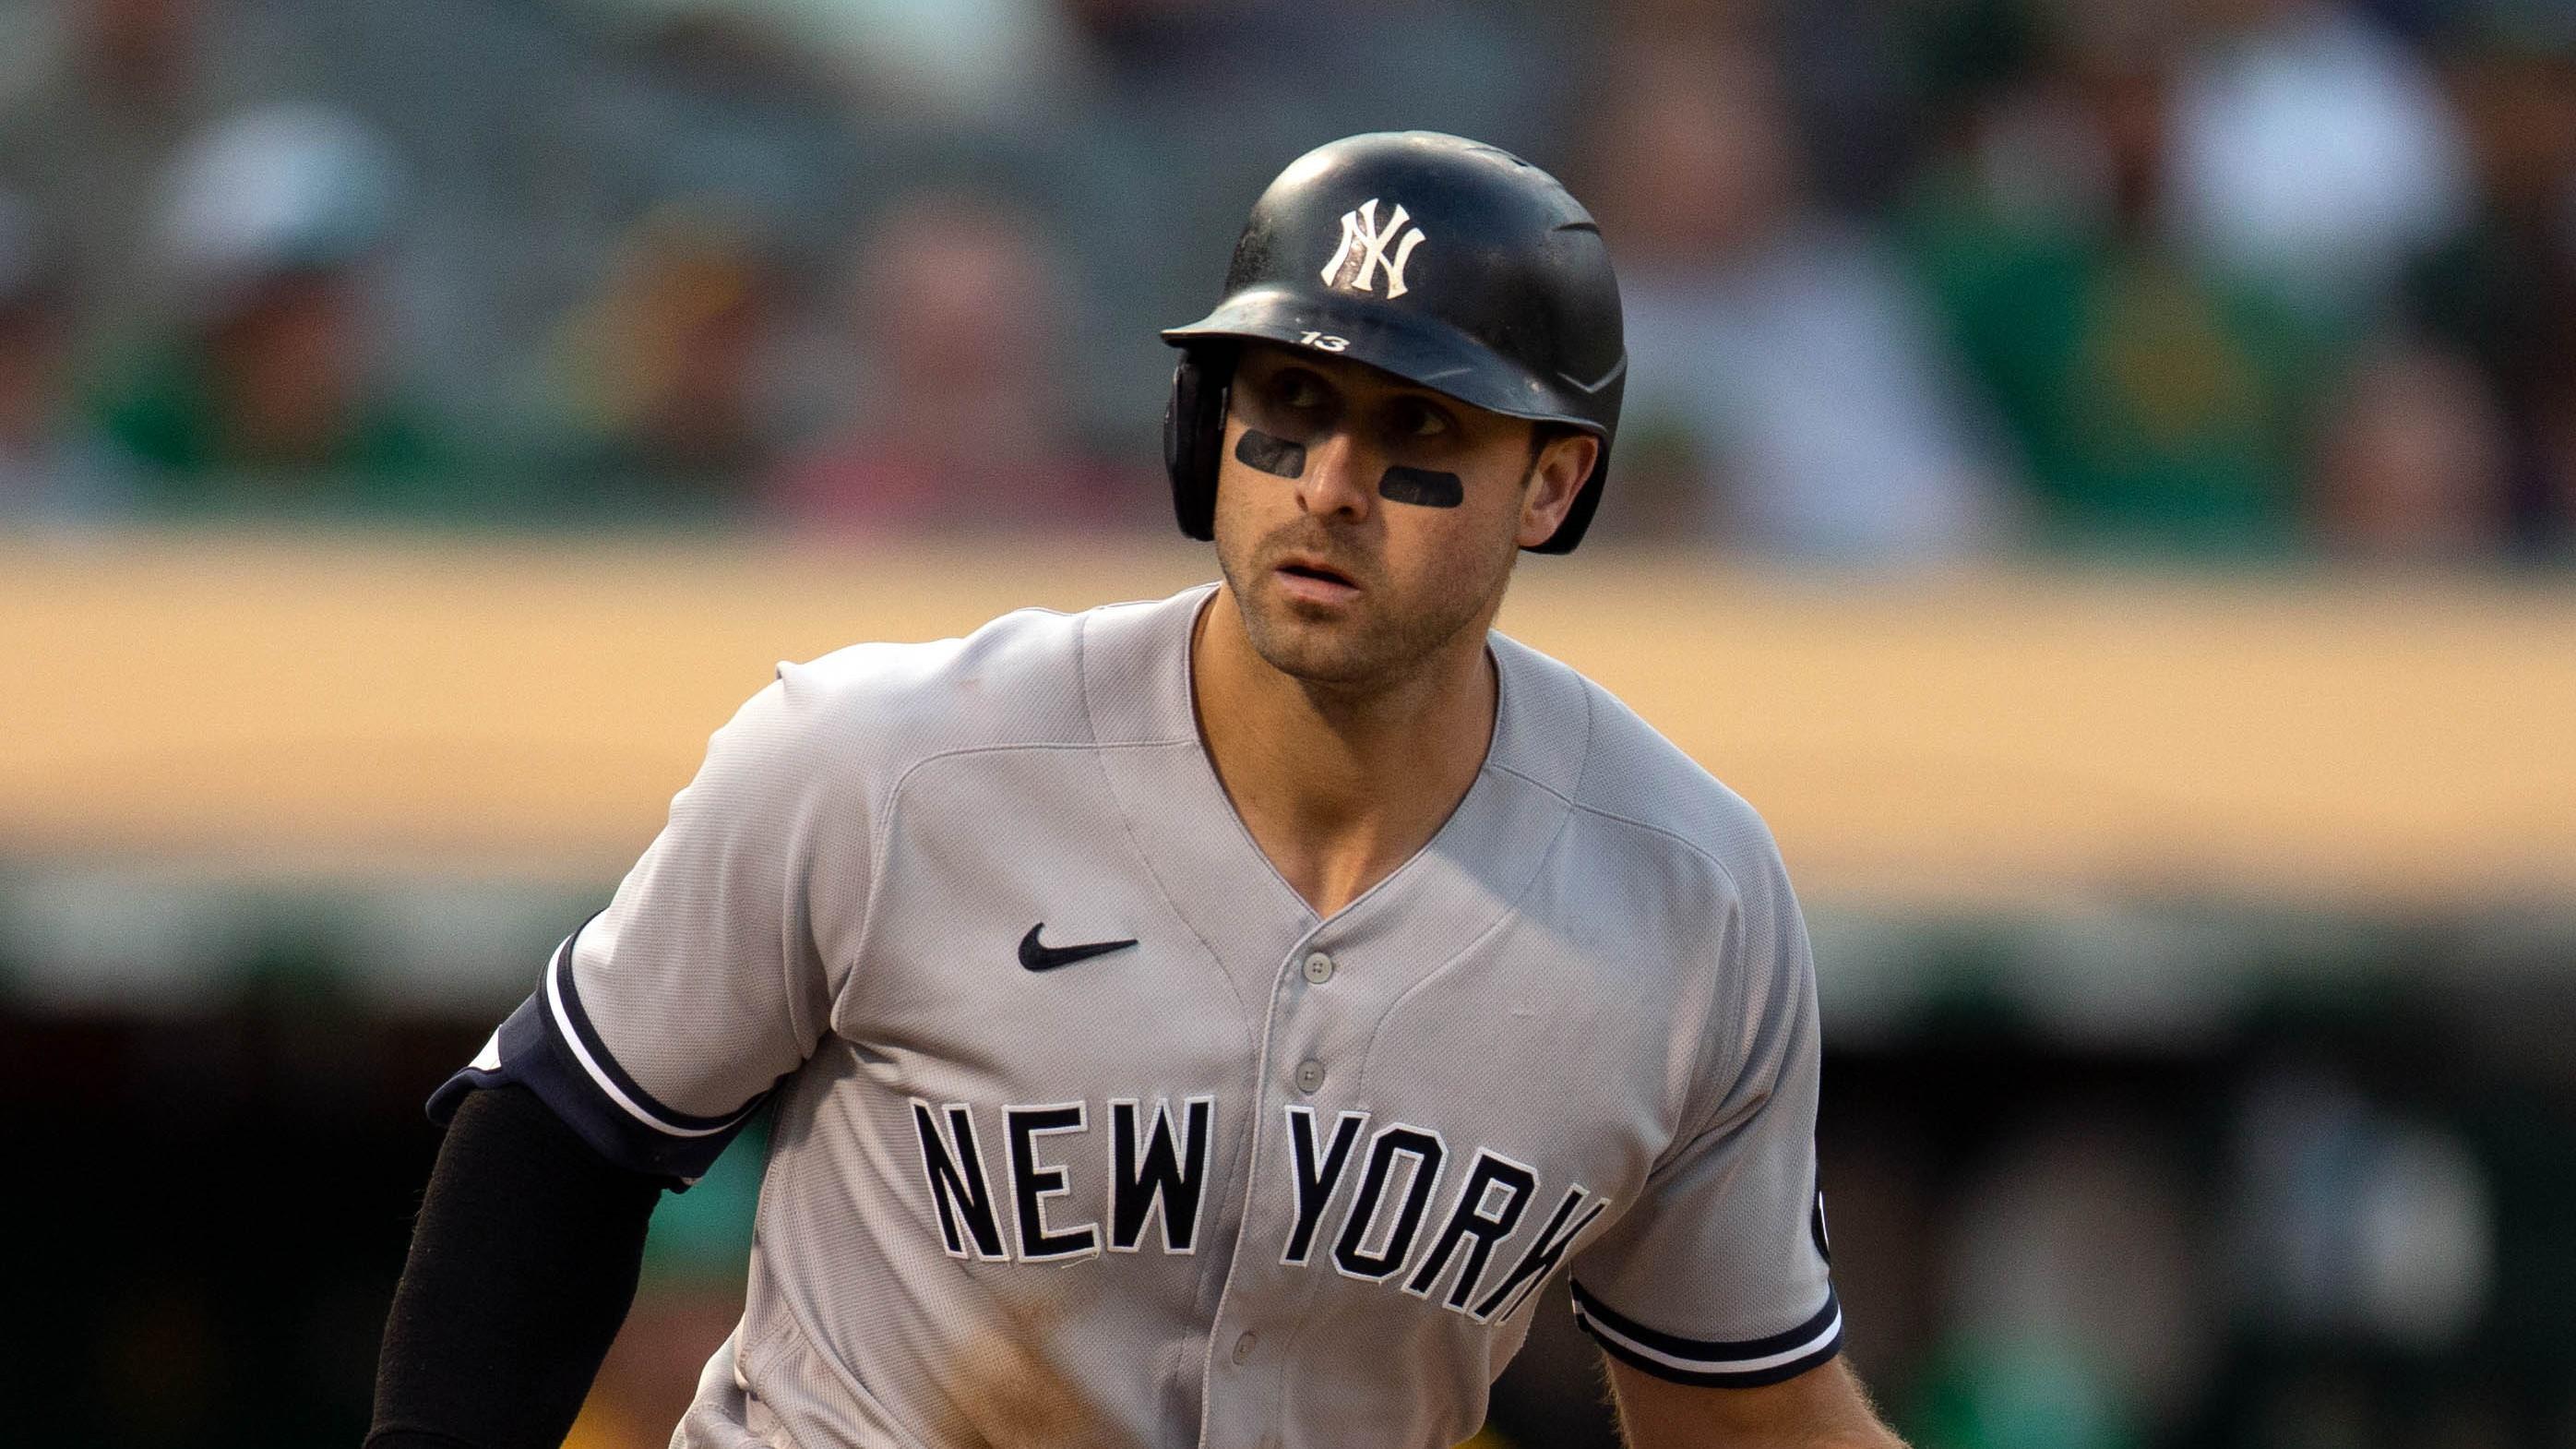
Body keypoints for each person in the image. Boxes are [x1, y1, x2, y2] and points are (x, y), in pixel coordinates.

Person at [366, 131, 1904, 1449]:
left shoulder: (1687, 897)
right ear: (1204, 426)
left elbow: (1749, 1409)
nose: (1328, 483)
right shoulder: (886, 759)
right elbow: (558, 1131)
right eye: (1287, 403)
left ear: (1554, 483)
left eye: (1417, 426)